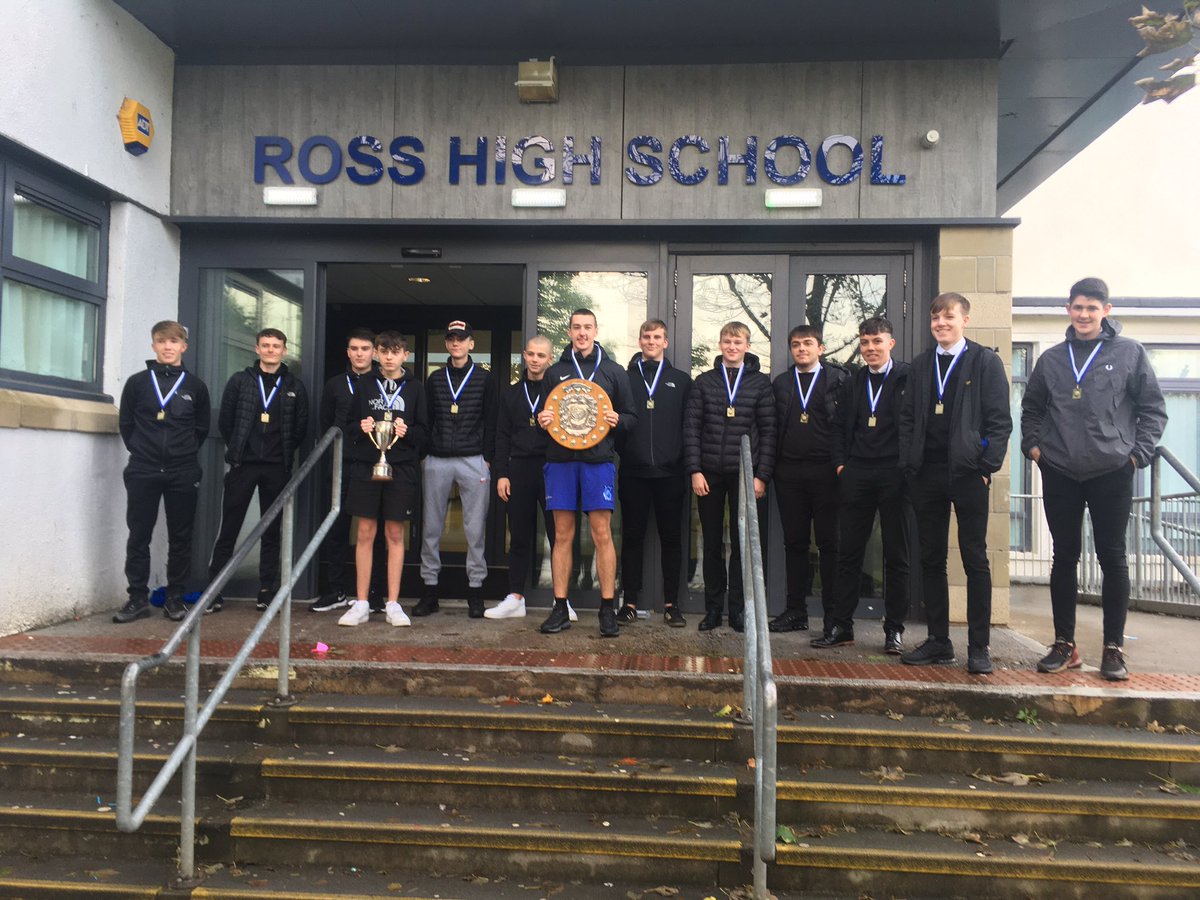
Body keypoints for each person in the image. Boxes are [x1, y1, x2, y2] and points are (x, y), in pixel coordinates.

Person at [1021, 277, 1167, 681]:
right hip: (1061, 471)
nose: (1084, 314)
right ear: (1068, 310)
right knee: (1064, 558)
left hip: (1112, 472)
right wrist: (1035, 449)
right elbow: (1031, 409)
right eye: (1077, 306)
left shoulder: (1129, 353)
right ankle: (1064, 644)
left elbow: (1153, 410)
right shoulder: (1051, 359)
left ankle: (1113, 649)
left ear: (1107, 311)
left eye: (1092, 307)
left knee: (1112, 558)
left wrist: (1137, 456)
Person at [898, 293, 1012, 674]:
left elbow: (1000, 420)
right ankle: (939, 642)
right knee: (931, 559)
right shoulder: (920, 365)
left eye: (949, 317)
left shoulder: (985, 361)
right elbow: (908, 419)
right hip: (926, 474)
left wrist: (986, 466)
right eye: (935, 318)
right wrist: (909, 464)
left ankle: (979, 647)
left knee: (975, 559)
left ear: (965, 319)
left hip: (968, 475)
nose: (941, 323)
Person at [536, 308, 637, 637]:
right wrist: (542, 422)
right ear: (569, 331)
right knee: (562, 536)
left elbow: (632, 417)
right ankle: (560, 607)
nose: (582, 332)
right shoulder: (555, 372)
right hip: (561, 461)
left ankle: (607, 608)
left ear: (596, 330)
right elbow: (545, 417)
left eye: (587, 327)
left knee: (601, 534)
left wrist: (618, 420)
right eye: (576, 327)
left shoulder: (613, 371)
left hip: (597, 462)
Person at [813, 317, 910, 652]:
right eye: (865, 343)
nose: (870, 349)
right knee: (848, 553)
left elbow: (914, 425)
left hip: (895, 475)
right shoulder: (853, 381)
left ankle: (894, 630)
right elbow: (838, 428)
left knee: (897, 556)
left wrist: (907, 466)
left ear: (890, 343)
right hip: (857, 475)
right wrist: (842, 465)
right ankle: (842, 626)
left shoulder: (907, 377)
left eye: (877, 342)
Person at [113, 321, 211, 624]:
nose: (168, 347)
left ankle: (174, 598)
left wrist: (181, 454)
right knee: (139, 534)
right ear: (153, 346)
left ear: (184, 346)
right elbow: (126, 425)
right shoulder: (137, 383)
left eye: (174, 341)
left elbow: (201, 429)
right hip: (143, 469)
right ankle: (137, 598)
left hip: (182, 470)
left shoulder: (195, 387)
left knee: (181, 536)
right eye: (161, 341)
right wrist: (144, 451)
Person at [206, 328, 308, 613]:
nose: (271, 350)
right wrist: (239, 450)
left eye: (276, 346)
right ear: (257, 349)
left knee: (271, 531)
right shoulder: (240, 382)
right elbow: (226, 421)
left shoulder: (294, 386)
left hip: (277, 467)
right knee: (229, 528)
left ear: (284, 351)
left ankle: (265, 590)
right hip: (243, 465)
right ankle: (214, 590)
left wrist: (283, 453)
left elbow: (300, 428)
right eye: (266, 345)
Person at [683, 321, 776, 633]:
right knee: (710, 543)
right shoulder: (704, 382)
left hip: (745, 476)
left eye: (738, 342)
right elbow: (692, 429)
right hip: (708, 474)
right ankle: (712, 609)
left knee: (741, 545)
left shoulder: (761, 384)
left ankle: (737, 610)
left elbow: (768, 431)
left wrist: (761, 475)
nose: (732, 346)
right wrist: (695, 470)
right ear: (720, 344)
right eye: (727, 341)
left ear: (747, 346)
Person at [337, 331, 429, 627]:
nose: (389, 357)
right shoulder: (364, 384)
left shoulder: (416, 388)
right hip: (366, 465)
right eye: (384, 351)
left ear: (406, 355)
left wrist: (408, 432)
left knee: (395, 534)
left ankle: (392, 602)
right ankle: (362, 602)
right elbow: (347, 426)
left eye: (396, 351)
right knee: (364, 532)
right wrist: (360, 426)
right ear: (376, 354)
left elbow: (425, 434)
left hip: (401, 467)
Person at [769, 325, 849, 634]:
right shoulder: (782, 383)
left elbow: (845, 425)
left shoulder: (838, 381)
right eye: (796, 345)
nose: (801, 349)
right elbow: (772, 428)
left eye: (807, 343)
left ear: (821, 348)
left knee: (830, 544)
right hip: (789, 473)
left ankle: (833, 616)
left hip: (827, 473)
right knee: (795, 544)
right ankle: (795, 611)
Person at [415, 320, 496, 619]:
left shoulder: (486, 379)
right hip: (437, 458)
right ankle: (430, 590)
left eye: (461, 339)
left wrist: (488, 457)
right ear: (447, 344)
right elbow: (427, 418)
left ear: (471, 343)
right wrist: (424, 454)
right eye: (451, 339)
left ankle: (475, 592)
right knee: (431, 527)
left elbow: (492, 419)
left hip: (472, 458)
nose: (456, 344)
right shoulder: (435, 379)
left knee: (474, 529)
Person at [487, 335, 571, 620]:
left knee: (557, 534)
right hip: (519, 468)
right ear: (524, 356)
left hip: (553, 467)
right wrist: (502, 474)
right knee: (519, 535)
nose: (535, 360)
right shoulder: (511, 394)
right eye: (531, 355)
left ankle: (563, 600)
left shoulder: (560, 392)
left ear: (550, 359)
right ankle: (515, 597)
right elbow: (501, 436)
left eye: (541, 355)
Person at [617, 319, 693, 627]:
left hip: (670, 474)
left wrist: (681, 459)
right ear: (639, 340)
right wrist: (626, 452)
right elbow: (616, 421)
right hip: (633, 472)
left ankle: (672, 604)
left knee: (672, 539)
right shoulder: (624, 379)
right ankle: (630, 602)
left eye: (657, 336)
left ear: (665, 342)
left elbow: (689, 426)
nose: (651, 341)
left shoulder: (681, 380)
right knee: (632, 538)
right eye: (646, 336)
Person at [311, 326, 377, 613]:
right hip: (340, 465)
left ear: (374, 352)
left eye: (364, 349)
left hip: (372, 465)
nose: (359, 354)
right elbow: (326, 424)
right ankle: (336, 590)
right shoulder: (335, 384)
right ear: (348, 352)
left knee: (371, 530)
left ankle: (372, 594)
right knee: (336, 529)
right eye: (354, 349)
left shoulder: (382, 383)